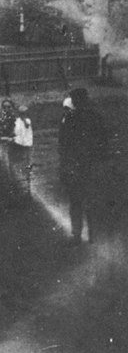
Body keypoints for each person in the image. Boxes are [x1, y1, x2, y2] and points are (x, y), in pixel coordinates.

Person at [58, 88, 109, 245]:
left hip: (78, 167)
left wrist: (65, 166)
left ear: (75, 101)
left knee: (77, 202)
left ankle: (78, 235)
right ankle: (90, 235)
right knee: (89, 201)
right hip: (89, 166)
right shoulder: (96, 117)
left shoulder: (71, 119)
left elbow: (63, 145)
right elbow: (104, 144)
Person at [0, 99, 18, 208]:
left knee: (16, 173)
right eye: (4, 107)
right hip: (3, 148)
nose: (7, 110)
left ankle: (17, 199)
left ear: (13, 108)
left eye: (9, 107)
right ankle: (4, 199)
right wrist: (6, 138)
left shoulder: (17, 121)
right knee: (4, 173)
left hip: (16, 149)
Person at [13, 104, 34, 202]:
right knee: (20, 168)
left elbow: (27, 129)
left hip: (27, 147)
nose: (24, 115)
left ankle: (27, 191)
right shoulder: (16, 123)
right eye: (22, 113)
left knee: (28, 168)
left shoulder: (28, 121)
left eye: (25, 113)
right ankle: (20, 192)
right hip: (19, 147)